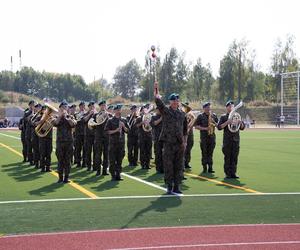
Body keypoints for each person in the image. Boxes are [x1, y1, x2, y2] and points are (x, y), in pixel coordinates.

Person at [154, 82, 188, 194]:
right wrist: (156, 89)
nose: (176, 102)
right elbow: (158, 102)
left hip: (179, 144)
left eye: (177, 100)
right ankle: (169, 185)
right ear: (170, 102)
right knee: (168, 165)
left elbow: (185, 130)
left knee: (178, 165)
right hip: (168, 143)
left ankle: (177, 186)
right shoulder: (166, 111)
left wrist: (185, 142)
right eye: (174, 100)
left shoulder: (182, 114)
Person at [217, 100, 245, 179]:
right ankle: (227, 174)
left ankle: (234, 173)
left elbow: (243, 128)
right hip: (227, 141)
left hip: (236, 140)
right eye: (229, 106)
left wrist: (240, 123)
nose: (231, 107)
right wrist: (227, 122)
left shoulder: (237, 116)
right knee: (227, 158)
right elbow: (219, 127)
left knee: (235, 158)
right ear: (226, 107)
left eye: (232, 106)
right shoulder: (223, 117)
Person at [52, 101, 77, 183]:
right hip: (60, 142)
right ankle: (60, 178)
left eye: (66, 107)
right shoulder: (56, 117)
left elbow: (73, 124)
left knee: (68, 160)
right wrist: (60, 116)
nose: (64, 109)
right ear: (60, 108)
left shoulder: (71, 117)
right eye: (63, 107)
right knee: (60, 160)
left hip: (69, 142)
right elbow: (55, 123)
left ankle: (66, 177)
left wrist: (68, 118)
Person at [105, 104, 128, 181]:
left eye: (120, 109)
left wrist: (124, 126)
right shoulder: (110, 120)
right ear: (114, 111)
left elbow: (128, 131)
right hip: (113, 143)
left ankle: (118, 174)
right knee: (112, 160)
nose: (119, 111)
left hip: (121, 143)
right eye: (117, 110)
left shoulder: (124, 120)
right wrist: (116, 130)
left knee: (119, 160)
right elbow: (107, 131)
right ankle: (113, 175)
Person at [194, 102, 218, 173]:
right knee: (204, 153)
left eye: (209, 107)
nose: (208, 108)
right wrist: (205, 128)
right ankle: (204, 168)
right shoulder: (200, 116)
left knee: (211, 153)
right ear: (204, 108)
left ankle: (210, 168)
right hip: (204, 138)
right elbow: (196, 126)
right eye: (207, 107)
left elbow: (218, 125)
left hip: (212, 137)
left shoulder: (214, 115)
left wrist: (213, 122)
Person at [93, 100, 110, 176]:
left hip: (107, 137)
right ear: (100, 106)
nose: (103, 107)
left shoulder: (109, 115)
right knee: (98, 154)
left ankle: (105, 170)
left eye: (104, 105)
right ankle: (98, 170)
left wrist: (107, 116)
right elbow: (92, 125)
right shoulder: (95, 115)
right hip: (98, 136)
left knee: (106, 154)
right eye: (102, 105)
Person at [36, 105, 53, 172]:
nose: (46, 111)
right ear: (42, 110)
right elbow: (34, 124)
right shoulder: (39, 117)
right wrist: (41, 121)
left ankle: (48, 167)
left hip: (49, 137)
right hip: (42, 138)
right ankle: (42, 167)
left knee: (49, 153)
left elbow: (55, 123)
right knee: (42, 153)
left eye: (47, 110)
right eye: (44, 110)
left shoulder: (51, 118)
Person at [136, 104, 153, 170]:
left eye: (146, 109)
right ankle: (143, 164)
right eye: (144, 109)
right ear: (142, 110)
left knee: (148, 151)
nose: (145, 110)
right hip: (142, 137)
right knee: (142, 151)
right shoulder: (139, 118)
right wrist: (142, 123)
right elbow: (136, 126)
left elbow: (152, 125)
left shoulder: (150, 117)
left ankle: (147, 164)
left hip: (149, 136)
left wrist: (148, 123)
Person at [83, 101, 96, 171]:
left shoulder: (97, 114)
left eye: (93, 106)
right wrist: (89, 114)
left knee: (96, 151)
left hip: (95, 135)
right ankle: (88, 165)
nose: (92, 107)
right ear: (89, 107)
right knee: (88, 151)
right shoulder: (86, 114)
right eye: (91, 106)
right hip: (88, 135)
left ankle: (95, 166)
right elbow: (84, 120)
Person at [150, 108, 163, 173]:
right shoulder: (153, 117)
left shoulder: (165, 116)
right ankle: (158, 168)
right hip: (157, 138)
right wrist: (161, 119)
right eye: (158, 109)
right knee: (158, 153)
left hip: (165, 138)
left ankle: (164, 168)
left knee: (165, 154)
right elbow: (154, 124)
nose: (159, 110)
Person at [74, 101, 86, 168]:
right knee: (78, 148)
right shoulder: (76, 114)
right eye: (81, 106)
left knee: (85, 149)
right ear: (79, 107)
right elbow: (79, 121)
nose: (82, 107)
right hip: (78, 133)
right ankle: (78, 162)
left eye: (83, 106)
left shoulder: (87, 113)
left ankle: (84, 162)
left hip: (85, 133)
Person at [183, 102, 194, 170]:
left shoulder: (190, 115)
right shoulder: (182, 115)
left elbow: (193, 122)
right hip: (184, 134)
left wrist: (190, 124)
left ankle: (187, 162)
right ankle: (182, 163)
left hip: (190, 134)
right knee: (183, 149)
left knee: (189, 148)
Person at [31, 103, 42, 169]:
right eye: (38, 107)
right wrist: (40, 121)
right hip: (35, 135)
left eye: (40, 107)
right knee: (36, 149)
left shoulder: (43, 115)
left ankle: (42, 163)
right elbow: (32, 123)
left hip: (42, 135)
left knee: (41, 150)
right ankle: (36, 163)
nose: (39, 108)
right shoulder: (34, 115)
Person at [24, 100, 35, 165]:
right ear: (30, 105)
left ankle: (36, 160)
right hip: (29, 131)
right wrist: (32, 114)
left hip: (35, 132)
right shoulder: (27, 112)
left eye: (34, 104)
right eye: (33, 104)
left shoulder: (37, 112)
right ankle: (30, 160)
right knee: (29, 146)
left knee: (36, 147)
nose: (34, 106)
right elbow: (26, 120)